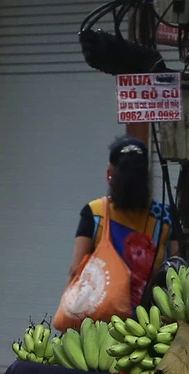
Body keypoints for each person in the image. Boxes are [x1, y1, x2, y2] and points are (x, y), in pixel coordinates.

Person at [68, 135, 172, 315]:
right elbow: (177, 270)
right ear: (146, 176)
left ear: (110, 173)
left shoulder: (95, 213)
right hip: (151, 325)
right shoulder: (164, 216)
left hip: (100, 323)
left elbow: (76, 270)